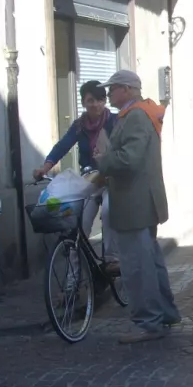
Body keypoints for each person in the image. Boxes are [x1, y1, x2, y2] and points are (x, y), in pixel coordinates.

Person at [95, 70, 181, 344]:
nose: (109, 94)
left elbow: (129, 159)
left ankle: (148, 322)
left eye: (113, 89)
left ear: (128, 90)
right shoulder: (142, 114)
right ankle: (164, 313)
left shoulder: (135, 117)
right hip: (142, 202)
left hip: (134, 203)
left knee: (137, 266)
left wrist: (103, 159)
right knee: (150, 262)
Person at [33, 80, 119, 273]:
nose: (95, 104)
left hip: (112, 179)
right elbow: (62, 147)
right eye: (90, 100)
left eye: (99, 99)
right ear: (83, 102)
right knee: (78, 227)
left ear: (105, 101)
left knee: (108, 211)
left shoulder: (115, 122)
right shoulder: (79, 126)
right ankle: (74, 283)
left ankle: (112, 259)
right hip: (90, 180)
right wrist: (45, 168)